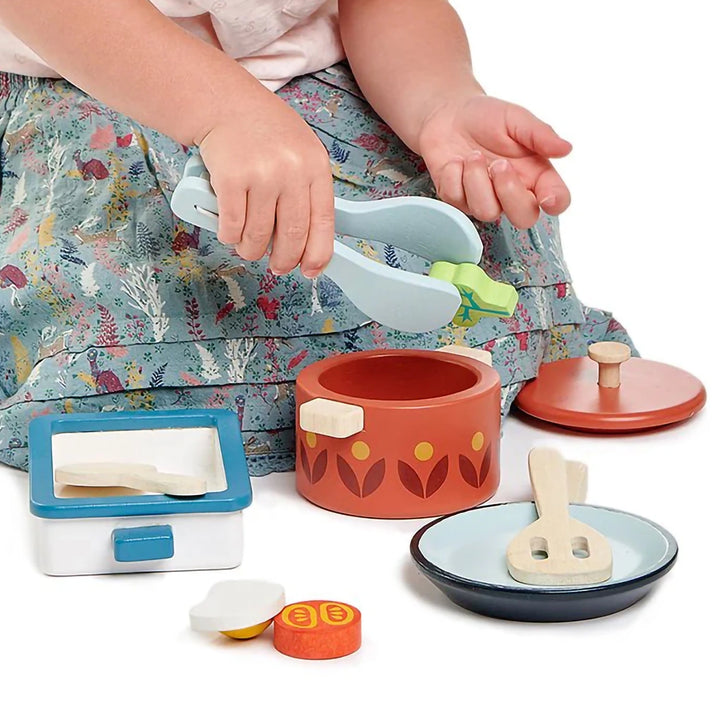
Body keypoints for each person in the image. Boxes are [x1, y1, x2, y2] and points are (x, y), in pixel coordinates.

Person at [0, 0, 632, 473]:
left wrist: (438, 104)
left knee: (462, 240)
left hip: (321, 77)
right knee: (132, 279)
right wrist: (227, 113)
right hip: (90, 77)